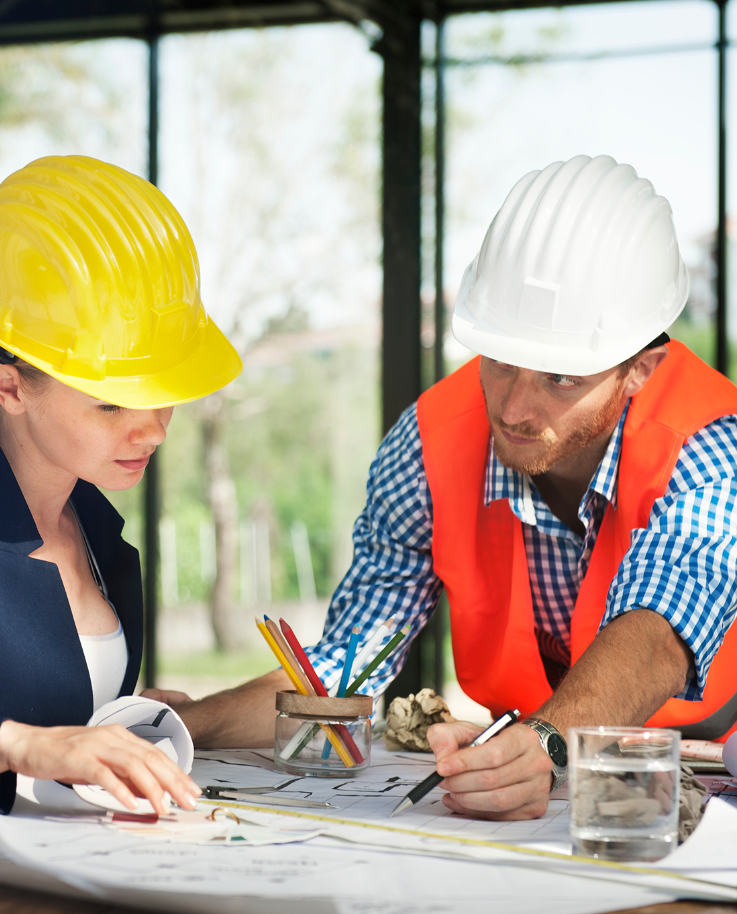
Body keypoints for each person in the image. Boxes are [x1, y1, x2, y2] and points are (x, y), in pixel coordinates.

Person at [164, 154, 737, 821]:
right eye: (497, 360)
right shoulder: (427, 442)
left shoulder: (710, 440)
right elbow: (346, 665)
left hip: (702, 775)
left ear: (638, 368)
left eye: (559, 378)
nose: (514, 408)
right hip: (521, 769)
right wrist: (187, 724)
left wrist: (545, 747)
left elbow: (658, 631)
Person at [0, 155, 242, 832]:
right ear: (8, 386)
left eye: (165, 399)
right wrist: (23, 745)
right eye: (111, 406)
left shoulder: (96, 525)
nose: (152, 429)